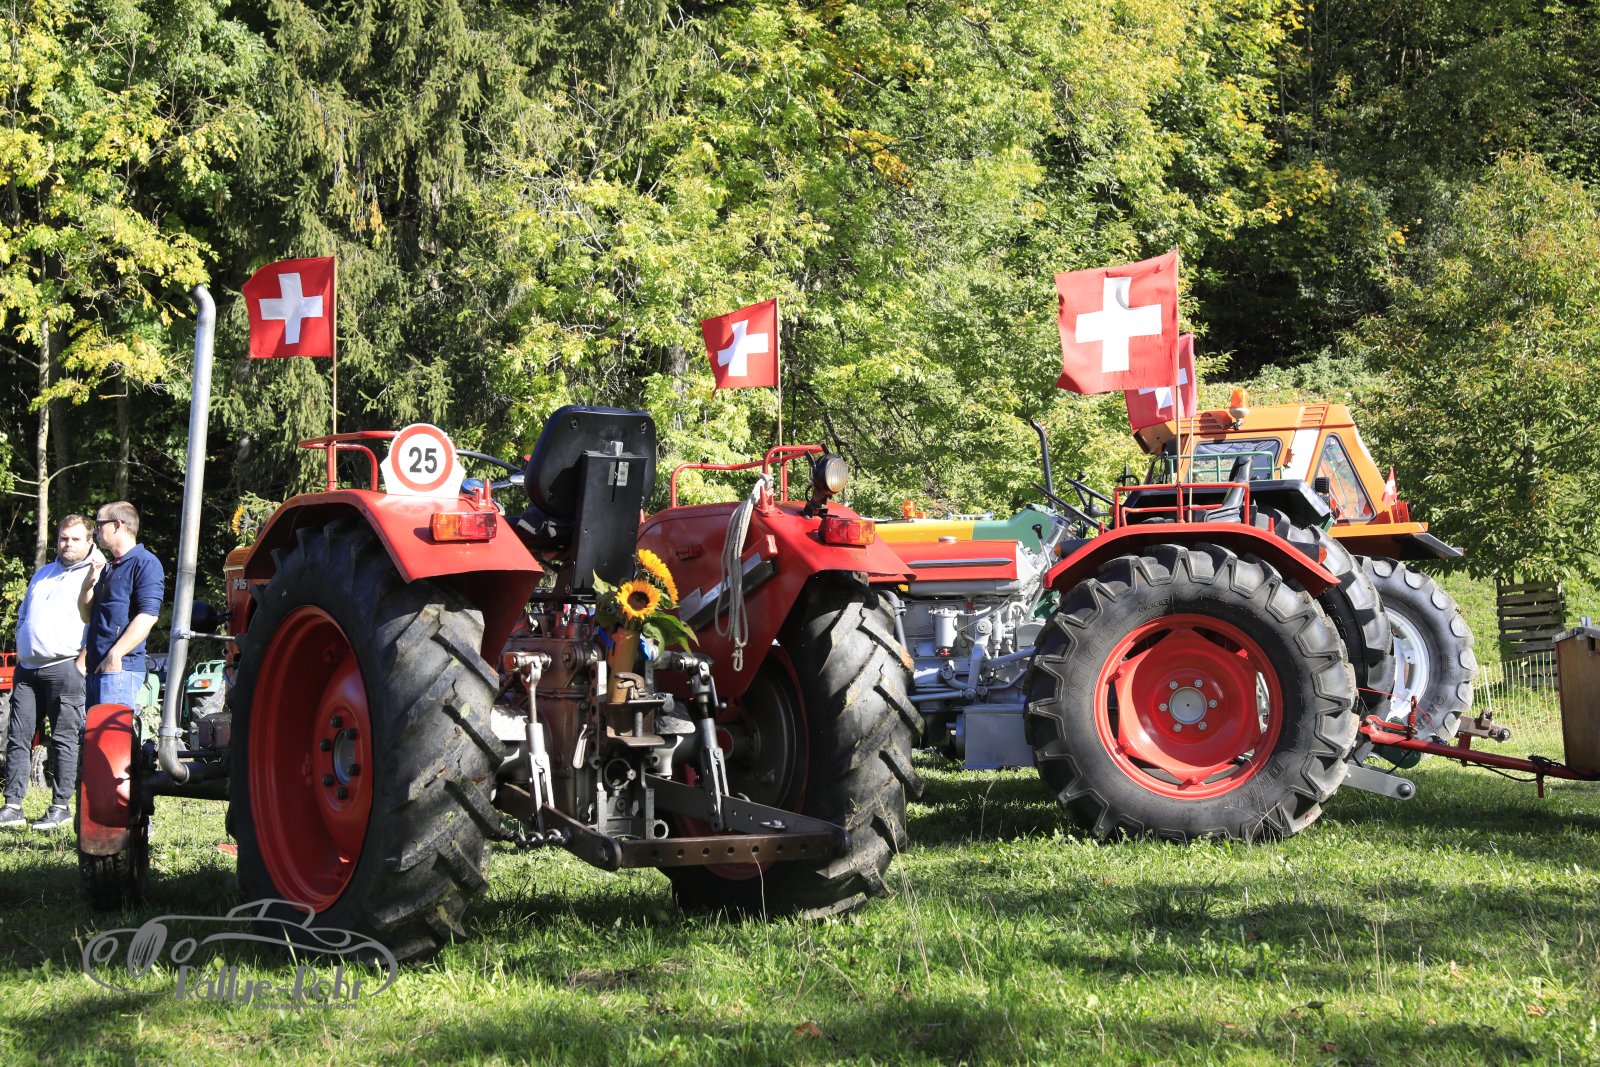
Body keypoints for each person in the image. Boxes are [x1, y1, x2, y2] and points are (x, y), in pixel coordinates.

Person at [0, 515, 103, 830]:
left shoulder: (96, 572)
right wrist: (22, 643)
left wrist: (82, 662)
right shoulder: (43, 573)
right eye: (63, 538)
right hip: (28, 669)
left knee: (63, 738)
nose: (67, 544)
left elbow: (100, 620)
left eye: (75, 539)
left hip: (66, 667)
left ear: (89, 541)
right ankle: (13, 806)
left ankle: (60, 806)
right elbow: (24, 614)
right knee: (17, 737)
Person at [79, 501, 165, 718]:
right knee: (94, 738)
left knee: (110, 737)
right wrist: (86, 587)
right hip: (96, 670)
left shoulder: (145, 563)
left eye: (99, 524)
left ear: (117, 524)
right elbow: (86, 616)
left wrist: (116, 654)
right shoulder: (109, 567)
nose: (96, 530)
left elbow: (148, 616)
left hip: (119, 670)